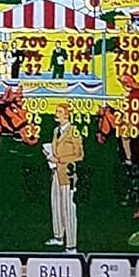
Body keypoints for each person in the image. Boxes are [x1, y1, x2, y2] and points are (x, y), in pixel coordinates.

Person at [44, 101, 84, 250]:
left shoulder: (73, 131)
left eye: (59, 112)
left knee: (68, 208)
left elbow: (79, 154)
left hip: (68, 174)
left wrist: (59, 159)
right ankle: (58, 236)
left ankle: (71, 245)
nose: (56, 114)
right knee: (56, 205)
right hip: (55, 172)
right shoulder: (56, 131)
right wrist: (49, 154)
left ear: (67, 115)